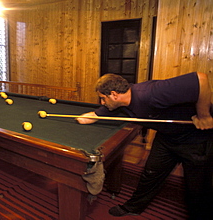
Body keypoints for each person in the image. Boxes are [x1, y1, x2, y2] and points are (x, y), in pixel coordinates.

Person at [77, 72, 213, 219]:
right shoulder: (119, 104)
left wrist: (204, 115)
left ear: (114, 94)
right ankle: (134, 207)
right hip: (166, 138)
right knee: (150, 174)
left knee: (197, 188)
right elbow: (98, 113)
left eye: (103, 98)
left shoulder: (150, 93)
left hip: (195, 139)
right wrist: (85, 118)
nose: (102, 103)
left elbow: (201, 79)